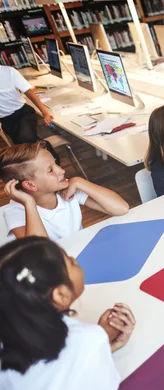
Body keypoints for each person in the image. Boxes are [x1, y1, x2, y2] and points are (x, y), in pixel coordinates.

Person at [0, 237, 136, 390]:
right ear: (61, 295)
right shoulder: (89, 341)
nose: (74, 259)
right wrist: (99, 343)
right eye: (71, 262)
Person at [0, 141, 129, 241]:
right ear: (30, 185)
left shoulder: (67, 191)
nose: (61, 170)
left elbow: (121, 208)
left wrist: (79, 181)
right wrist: (29, 203)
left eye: (56, 163)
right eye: (50, 170)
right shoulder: (15, 212)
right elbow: (40, 253)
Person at [0, 65, 59, 162]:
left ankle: (54, 160)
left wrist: (45, 113)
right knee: (24, 150)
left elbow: (29, 93)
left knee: (27, 139)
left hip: (23, 113)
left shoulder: (9, 71)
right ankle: (41, 169)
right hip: (7, 121)